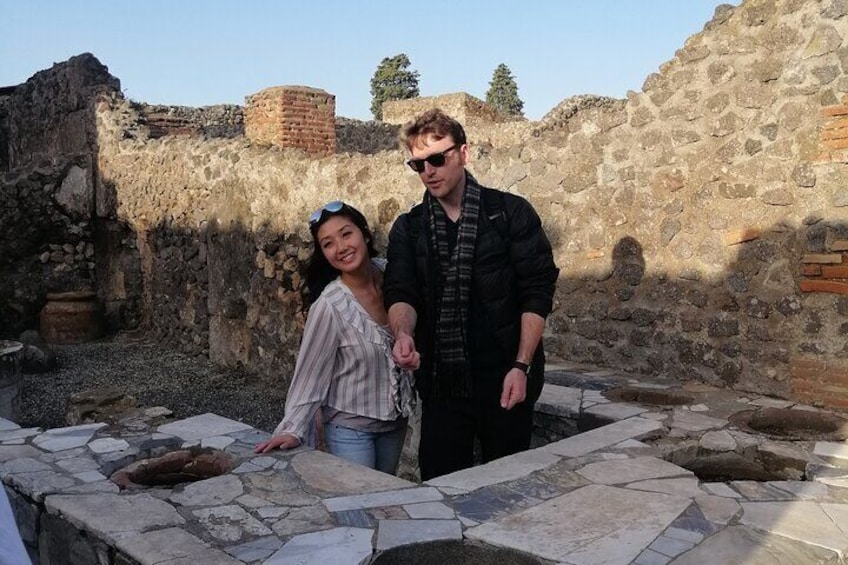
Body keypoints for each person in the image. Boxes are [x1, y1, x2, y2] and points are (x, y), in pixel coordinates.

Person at [383, 109, 559, 481]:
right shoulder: (409, 228)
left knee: (507, 484)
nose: (428, 171)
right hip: (442, 381)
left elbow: (536, 291)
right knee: (440, 484)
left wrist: (521, 366)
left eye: (436, 158)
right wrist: (403, 335)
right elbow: (402, 291)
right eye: (417, 164)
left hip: (505, 375)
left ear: (463, 154)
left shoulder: (509, 214)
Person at [255, 201, 415, 475]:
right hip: (350, 430)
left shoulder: (393, 275)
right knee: (357, 508)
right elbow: (309, 373)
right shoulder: (330, 306)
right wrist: (293, 428)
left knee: (385, 501)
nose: (340, 247)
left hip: (394, 423)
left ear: (364, 233)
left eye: (346, 234)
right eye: (328, 244)